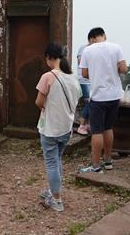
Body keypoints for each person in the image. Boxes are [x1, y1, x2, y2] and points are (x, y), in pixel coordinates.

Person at [35, 43, 81, 212]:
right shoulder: (73, 78)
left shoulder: (48, 77)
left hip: (50, 128)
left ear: (49, 57)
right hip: (66, 128)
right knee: (57, 160)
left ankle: (56, 200)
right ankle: (52, 191)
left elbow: (39, 102)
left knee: (52, 163)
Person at [79, 27, 127, 173]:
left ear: (91, 39)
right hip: (114, 96)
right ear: (104, 36)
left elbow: (84, 73)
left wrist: (96, 72)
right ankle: (108, 160)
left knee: (97, 131)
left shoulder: (87, 50)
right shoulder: (116, 47)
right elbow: (124, 69)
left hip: (98, 96)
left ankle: (95, 166)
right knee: (108, 128)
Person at [76, 32, 93, 135]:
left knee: (92, 102)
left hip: (93, 81)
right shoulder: (83, 48)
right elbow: (80, 63)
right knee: (89, 102)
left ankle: (87, 125)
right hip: (84, 80)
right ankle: (82, 125)